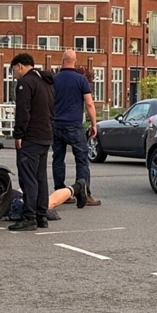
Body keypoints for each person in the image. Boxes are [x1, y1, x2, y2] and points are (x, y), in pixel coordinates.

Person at [8, 53, 55, 231]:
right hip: (45, 135)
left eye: (13, 70)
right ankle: (41, 215)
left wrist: (18, 134)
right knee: (41, 177)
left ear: (20, 66)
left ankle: (29, 217)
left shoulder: (26, 83)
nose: (14, 74)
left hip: (31, 137)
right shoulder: (46, 81)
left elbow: (23, 111)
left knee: (28, 178)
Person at [52, 49, 101, 207]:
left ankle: (61, 193)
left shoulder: (54, 80)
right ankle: (84, 193)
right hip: (74, 125)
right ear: (75, 61)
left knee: (58, 159)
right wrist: (94, 124)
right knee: (81, 159)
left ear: (62, 60)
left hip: (56, 125)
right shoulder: (81, 80)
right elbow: (89, 103)